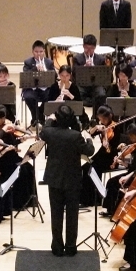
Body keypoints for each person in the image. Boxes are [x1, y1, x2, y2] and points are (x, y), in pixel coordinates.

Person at [39, 104, 95, 256]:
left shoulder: (50, 133)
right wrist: (89, 139)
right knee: (72, 215)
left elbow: (44, 130)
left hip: (55, 178)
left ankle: (57, 247)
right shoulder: (75, 136)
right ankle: (70, 247)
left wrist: (50, 119)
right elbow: (89, 151)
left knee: (56, 214)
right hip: (72, 179)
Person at [21, 40, 55, 126]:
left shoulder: (49, 62)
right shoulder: (28, 62)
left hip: (45, 88)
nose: (38, 54)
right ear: (32, 52)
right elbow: (26, 75)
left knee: (51, 96)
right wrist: (35, 69)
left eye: (41, 51)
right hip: (32, 88)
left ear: (44, 52)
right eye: (36, 52)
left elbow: (55, 75)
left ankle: (39, 114)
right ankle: (36, 116)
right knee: (28, 97)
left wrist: (45, 71)